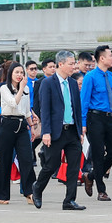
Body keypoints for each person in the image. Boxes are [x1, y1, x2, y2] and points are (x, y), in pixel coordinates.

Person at [31, 51, 86, 210]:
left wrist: (80, 131)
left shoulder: (73, 84)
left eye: (74, 63)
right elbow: (45, 109)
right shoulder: (48, 83)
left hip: (72, 131)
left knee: (74, 166)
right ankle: (38, 188)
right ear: (60, 64)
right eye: (71, 63)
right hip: (56, 132)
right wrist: (46, 132)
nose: (74, 66)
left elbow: (77, 108)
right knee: (51, 164)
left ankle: (69, 200)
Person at [80, 45, 112, 202]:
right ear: (102, 58)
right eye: (110, 56)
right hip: (95, 118)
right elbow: (84, 102)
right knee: (97, 154)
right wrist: (83, 124)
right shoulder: (90, 77)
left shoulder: (111, 77)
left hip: (111, 119)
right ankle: (101, 190)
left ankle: (90, 176)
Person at [0, 62, 37, 204]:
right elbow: (13, 103)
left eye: (21, 73)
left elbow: (26, 111)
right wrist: (21, 89)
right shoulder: (3, 88)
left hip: (22, 125)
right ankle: (2, 195)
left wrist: (31, 126)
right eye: (17, 72)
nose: (19, 75)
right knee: (5, 160)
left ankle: (30, 192)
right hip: (7, 124)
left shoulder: (26, 90)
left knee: (26, 159)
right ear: (10, 74)